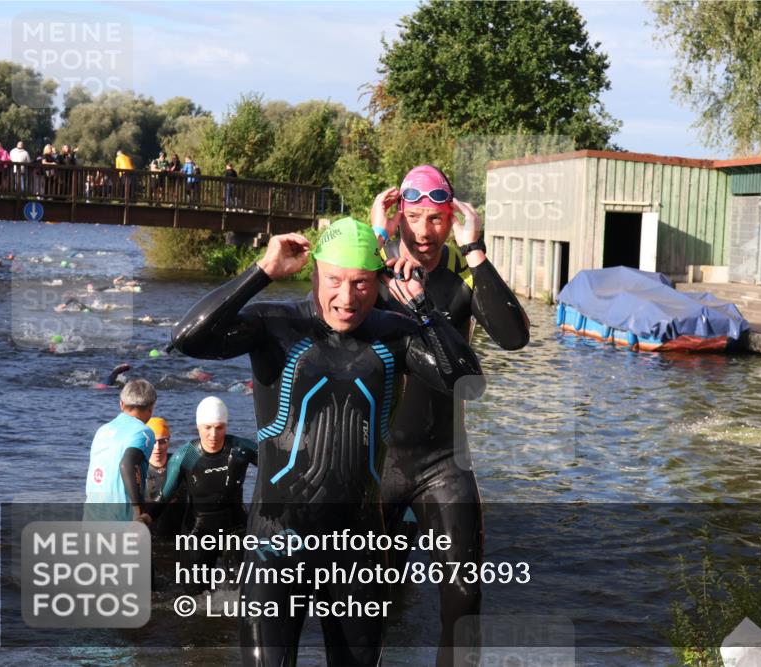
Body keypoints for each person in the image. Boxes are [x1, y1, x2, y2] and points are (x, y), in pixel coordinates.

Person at [171, 218, 483, 666]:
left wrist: (421, 307)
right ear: (314, 272)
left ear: (379, 280)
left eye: (360, 283)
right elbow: (187, 338)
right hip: (273, 544)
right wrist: (262, 271)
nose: (347, 296)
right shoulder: (276, 325)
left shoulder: (394, 334)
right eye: (335, 280)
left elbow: (467, 380)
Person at [371, 164, 530, 666]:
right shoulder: (371, 277)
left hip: (444, 461)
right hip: (378, 464)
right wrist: (377, 240)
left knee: (464, 598)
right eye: (413, 217)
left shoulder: (460, 286)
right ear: (398, 218)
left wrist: (476, 251)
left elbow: (513, 337)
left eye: (436, 219)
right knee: (362, 597)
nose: (424, 231)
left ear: (451, 221)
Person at [153, 397, 256, 587]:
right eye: (207, 428)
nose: (213, 434)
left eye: (219, 428)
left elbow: (277, 468)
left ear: (226, 426)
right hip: (198, 529)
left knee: (242, 590)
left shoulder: (240, 448)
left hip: (236, 528)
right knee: (193, 592)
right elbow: (164, 496)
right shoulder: (186, 455)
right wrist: (142, 519)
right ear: (198, 427)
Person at [83, 378, 157, 523]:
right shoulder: (143, 432)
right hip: (120, 521)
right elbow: (127, 464)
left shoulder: (102, 430)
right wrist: (139, 512)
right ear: (151, 407)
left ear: (121, 404)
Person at [144, 416, 187, 538]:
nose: (157, 447)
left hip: (177, 537)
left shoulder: (180, 464)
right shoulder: (137, 469)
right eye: (153, 442)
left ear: (169, 440)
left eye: (162, 441)